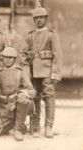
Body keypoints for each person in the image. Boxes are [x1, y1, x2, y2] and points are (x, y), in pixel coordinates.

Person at [20, 7, 63, 138]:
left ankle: (49, 126)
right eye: (36, 18)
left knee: (49, 98)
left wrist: (55, 74)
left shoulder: (51, 35)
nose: (39, 20)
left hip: (47, 72)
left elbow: (58, 55)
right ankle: (36, 126)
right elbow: (22, 53)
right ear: (34, 20)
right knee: (35, 98)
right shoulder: (30, 35)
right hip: (33, 72)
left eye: (41, 17)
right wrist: (25, 70)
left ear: (45, 18)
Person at [0, 47, 35, 141]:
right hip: (6, 107)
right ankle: (19, 124)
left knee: (24, 101)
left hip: (20, 105)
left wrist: (23, 93)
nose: (8, 59)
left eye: (11, 57)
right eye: (6, 57)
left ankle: (17, 129)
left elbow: (32, 91)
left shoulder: (21, 72)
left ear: (14, 58)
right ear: (2, 58)